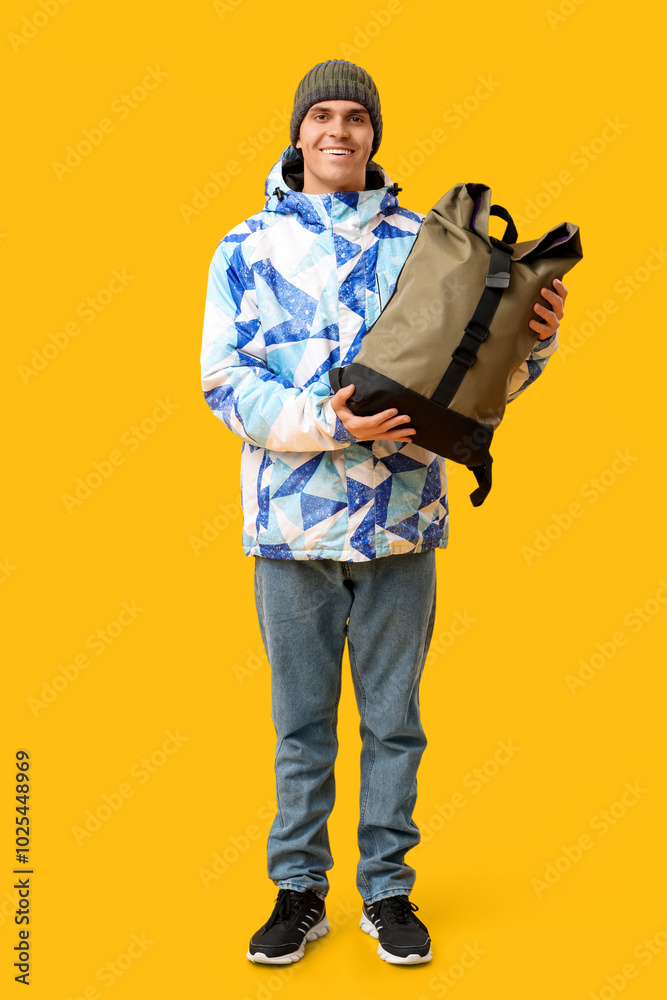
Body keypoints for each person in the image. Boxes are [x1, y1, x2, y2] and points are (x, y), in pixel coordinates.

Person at [200, 59, 567, 966]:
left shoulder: (428, 239)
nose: (337, 130)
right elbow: (223, 383)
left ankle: (388, 893)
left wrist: (537, 334)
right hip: (290, 529)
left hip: (402, 520)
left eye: (354, 117)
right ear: (296, 131)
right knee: (301, 723)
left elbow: (479, 377)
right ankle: (298, 892)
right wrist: (327, 421)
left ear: (373, 132)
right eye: (320, 114)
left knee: (394, 721)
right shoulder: (245, 247)